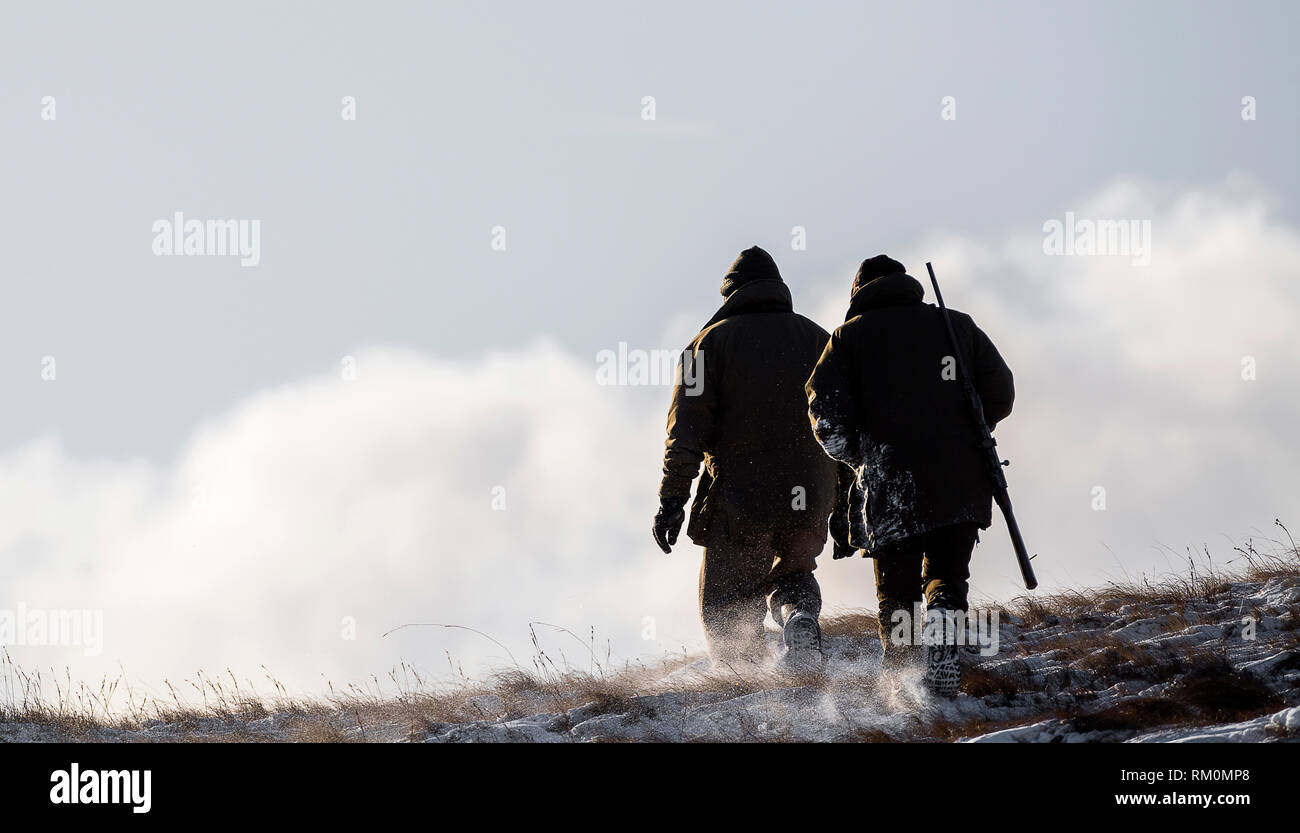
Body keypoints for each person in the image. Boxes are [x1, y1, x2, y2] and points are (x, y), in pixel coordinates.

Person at [805, 255, 1014, 696]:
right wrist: (969, 432)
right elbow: (1001, 391)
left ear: (858, 292)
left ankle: (902, 678)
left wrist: (860, 456)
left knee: (897, 590)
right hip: (960, 477)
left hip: (888, 481)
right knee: (947, 573)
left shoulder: (848, 338)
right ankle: (942, 625)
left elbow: (824, 416)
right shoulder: (956, 325)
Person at [653, 246, 837, 670]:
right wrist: (845, 507)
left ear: (730, 295)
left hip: (741, 499)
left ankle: (746, 688)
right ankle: (798, 618)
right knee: (793, 574)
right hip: (810, 494)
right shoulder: (820, 340)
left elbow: (685, 437)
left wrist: (672, 502)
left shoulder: (705, 346)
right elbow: (842, 430)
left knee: (728, 604)